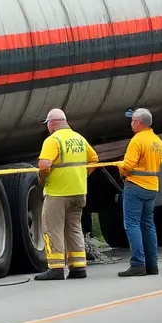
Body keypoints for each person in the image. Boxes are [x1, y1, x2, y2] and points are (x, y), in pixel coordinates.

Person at [34, 108, 99, 281]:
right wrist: (82, 175)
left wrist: (43, 180)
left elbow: (44, 165)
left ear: (53, 123)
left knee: (52, 229)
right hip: (78, 191)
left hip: (58, 193)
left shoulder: (53, 140)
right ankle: (78, 267)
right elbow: (94, 159)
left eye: (47, 123)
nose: (47, 127)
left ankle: (55, 268)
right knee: (74, 228)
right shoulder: (79, 138)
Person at [117, 107, 162, 277]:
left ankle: (138, 264)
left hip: (136, 187)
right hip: (152, 187)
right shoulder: (158, 141)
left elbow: (128, 166)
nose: (131, 124)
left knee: (131, 224)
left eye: (132, 121)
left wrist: (118, 166)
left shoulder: (137, 140)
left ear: (137, 122)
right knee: (148, 225)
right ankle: (152, 265)